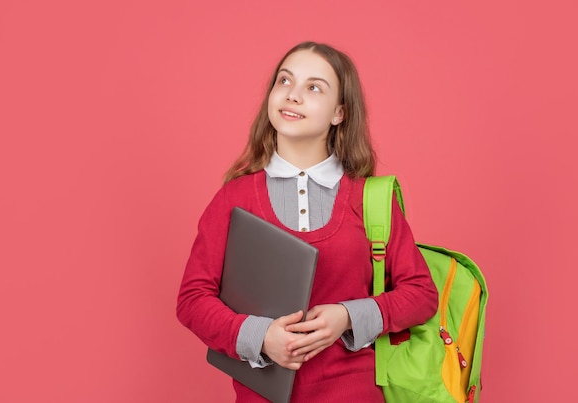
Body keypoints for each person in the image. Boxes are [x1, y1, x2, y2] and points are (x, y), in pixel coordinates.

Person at [177, 41, 438, 402]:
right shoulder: (233, 199)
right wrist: (261, 336)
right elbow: (192, 299)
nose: (293, 95)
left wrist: (347, 316)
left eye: (313, 87)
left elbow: (422, 295)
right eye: (284, 81)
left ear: (339, 113)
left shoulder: (370, 198)